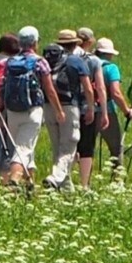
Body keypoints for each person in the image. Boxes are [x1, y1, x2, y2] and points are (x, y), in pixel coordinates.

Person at [0, 29, 60, 189]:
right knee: (23, 148)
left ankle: (29, 186)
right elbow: (49, 89)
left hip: (12, 111)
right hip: (32, 110)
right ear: (35, 43)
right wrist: (58, 110)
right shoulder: (40, 62)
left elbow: (3, 87)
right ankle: (15, 178)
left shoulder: (10, 62)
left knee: (24, 146)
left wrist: (1, 109)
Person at [44, 29, 107, 190]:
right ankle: (55, 177)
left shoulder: (48, 61)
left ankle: (65, 188)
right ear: (75, 44)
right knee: (69, 146)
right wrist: (91, 108)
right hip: (69, 106)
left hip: (48, 106)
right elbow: (88, 88)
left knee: (57, 146)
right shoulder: (76, 61)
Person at [93, 37, 129, 175]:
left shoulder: (89, 64)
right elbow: (116, 92)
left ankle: (85, 181)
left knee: (87, 148)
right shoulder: (111, 68)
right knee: (116, 147)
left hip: (88, 110)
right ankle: (117, 178)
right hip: (107, 111)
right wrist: (126, 110)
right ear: (109, 54)